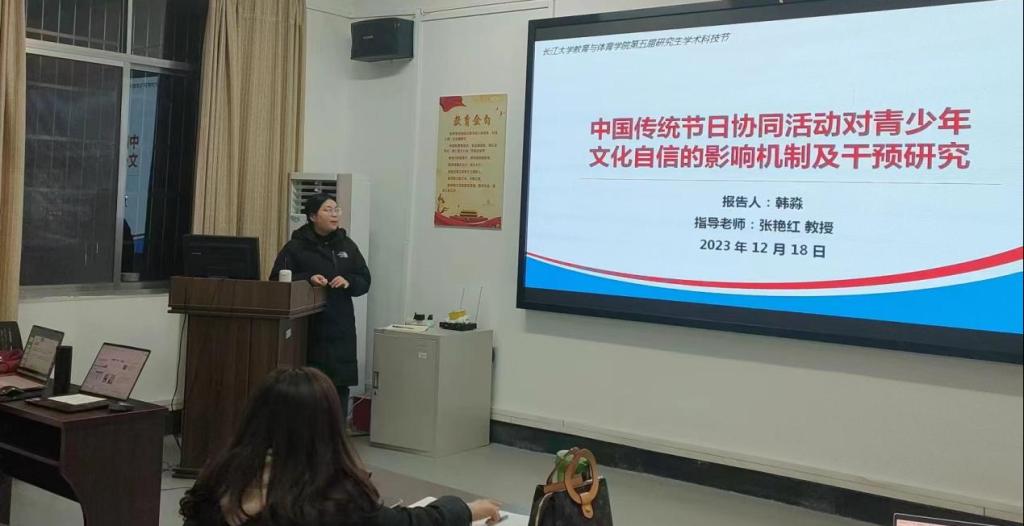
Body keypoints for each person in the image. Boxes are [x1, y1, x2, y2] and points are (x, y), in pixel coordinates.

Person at [180, 367, 502, 526]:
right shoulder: (332, 498)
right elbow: (407, 524)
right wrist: (464, 509)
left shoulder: (217, 480)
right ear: (328, 427)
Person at [270, 193, 369, 418]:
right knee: (306, 386)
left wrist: (348, 281)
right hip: (306, 328)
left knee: (338, 385)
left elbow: (365, 279)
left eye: (336, 209)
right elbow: (277, 278)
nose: (334, 214)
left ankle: (336, 432)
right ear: (313, 216)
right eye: (327, 210)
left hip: (340, 326)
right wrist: (308, 278)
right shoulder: (296, 247)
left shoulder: (347, 245)